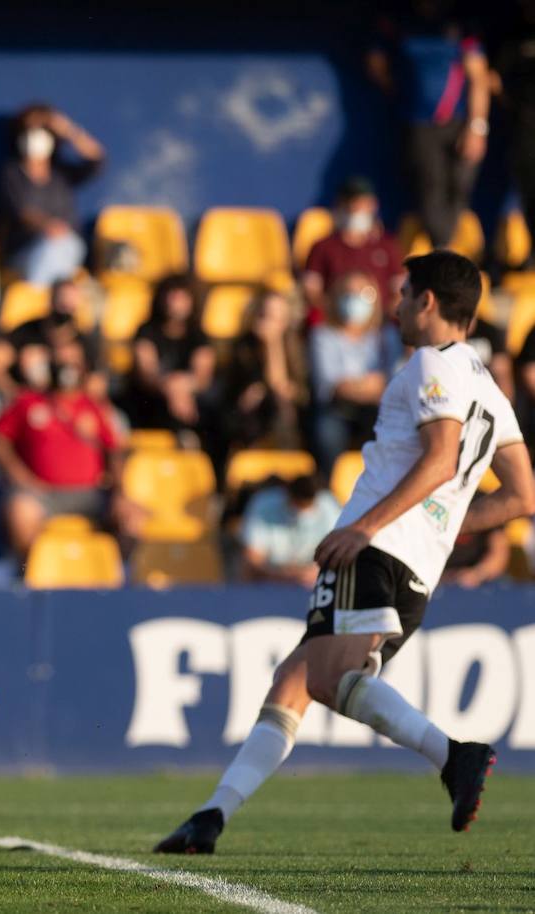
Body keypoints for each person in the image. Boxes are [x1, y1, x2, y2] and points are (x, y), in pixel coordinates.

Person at [156, 250, 535, 855]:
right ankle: (211, 816)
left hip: (378, 548)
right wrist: (451, 527)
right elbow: (522, 495)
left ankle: (454, 755)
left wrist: (364, 528)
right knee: (296, 680)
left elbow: (441, 458)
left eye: (406, 292)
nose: (397, 303)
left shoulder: (429, 366)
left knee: (332, 680)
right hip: (419, 562)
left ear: (429, 302)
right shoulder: (489, 388)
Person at [0, 330, 126, 562]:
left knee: (131, 515)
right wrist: (20, 476)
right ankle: (31, 574)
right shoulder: (28, 402)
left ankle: (118, 579)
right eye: (60, 362)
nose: (66, 369)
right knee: (20, 512)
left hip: (91, 494)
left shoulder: (94, 406)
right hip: (44, 495)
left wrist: (119, 490)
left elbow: (114, 449)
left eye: (72, 363)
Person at [367, 4, 489, 250]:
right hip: (419, 123)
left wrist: (477, 127)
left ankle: (448, 248)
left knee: (460, 183)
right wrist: (402, 93)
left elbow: (478, 77)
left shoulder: (460, 25)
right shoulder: (399, 20)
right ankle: (442, 249)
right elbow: (376, 64)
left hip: (458, 122)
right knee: (429, 185)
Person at [0, 104, 104, 286]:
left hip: (68, 246)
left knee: (60, 248)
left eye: (42, 130)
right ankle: (38, 300)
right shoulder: (10, 173)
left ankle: (38, 301)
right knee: (51, 250)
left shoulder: (60, 172)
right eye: (29, 130)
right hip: (25, 251)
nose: (35, 136)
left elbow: (96, 159)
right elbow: (22, 212)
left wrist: (69, 130)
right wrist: (48, 226)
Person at [309, 272, 395, 472]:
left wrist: (354, 384)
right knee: (327, 434)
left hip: (376, 410)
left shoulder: (385, 337)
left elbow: (391, 381)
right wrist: (370, 385)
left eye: (363, 293)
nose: (356, 299)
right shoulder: (322, 335)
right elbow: (333, 385)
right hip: (336, 410)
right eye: (348, 293)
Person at [126, 274, 218, 449]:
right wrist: (170, 387)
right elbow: (146, 372)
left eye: (180, 297)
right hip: (153, 399)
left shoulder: (198, 335)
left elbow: (202, 375)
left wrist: (181, 387)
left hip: (189, 400)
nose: (174, 303)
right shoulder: (147, 331)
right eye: (171, 297)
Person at [300, 177, 404, 328]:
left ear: (373, 206)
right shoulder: (322, 247)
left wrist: (379, 318)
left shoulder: (387, 246)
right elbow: (311, 291)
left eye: (363, 205)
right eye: (351, 205)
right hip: (335, 326)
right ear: (340, 206)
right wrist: (338, 317)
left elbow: (399, 291)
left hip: (381, 326)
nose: (356, 210)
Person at [224, 290, 308, 450]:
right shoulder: (243, 348)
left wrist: (272, 344)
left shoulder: (295, 347)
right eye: (265, 315)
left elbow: (280, 386)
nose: (267, 322)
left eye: (275, 318)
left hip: (287, 418)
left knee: (280, 406)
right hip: (248, 418)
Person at [239, 474, 342, 586]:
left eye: (306, 506)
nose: (300, 513)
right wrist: (283, 576)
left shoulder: (329, 506)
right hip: (271, 581)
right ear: (287, 495)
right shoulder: (263, 505)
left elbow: (339, 555)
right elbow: (252, 560)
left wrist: (315, 573)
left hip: (313, 581)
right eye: (298, 505)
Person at [495, 0, 535, 268]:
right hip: (527, 130)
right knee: (529, 194)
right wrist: (517, 107)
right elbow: (494, 78)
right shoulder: (516, 37)